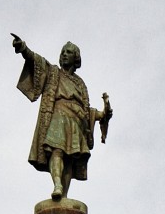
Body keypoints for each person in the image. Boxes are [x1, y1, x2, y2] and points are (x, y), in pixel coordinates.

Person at [12, 34, 112, 200]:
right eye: (63, 51)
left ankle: (63, 194)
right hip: (58, 114)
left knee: (70, 159)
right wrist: (23, 49)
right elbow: (36, 61)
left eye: (69, 52)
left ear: (76, 58)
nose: (64, 54)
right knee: (56, 150)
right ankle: (57, 184)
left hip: (76, 121)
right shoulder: (53, 72)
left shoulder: (80, 84)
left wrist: (103, 114)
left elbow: (87, 111)